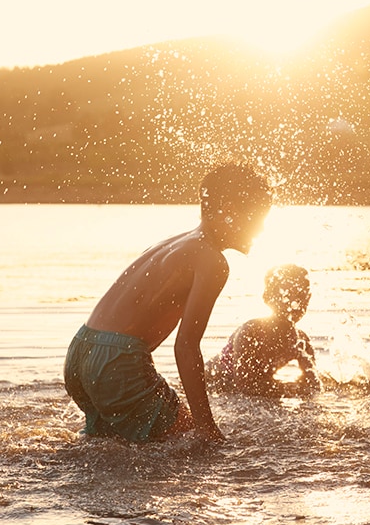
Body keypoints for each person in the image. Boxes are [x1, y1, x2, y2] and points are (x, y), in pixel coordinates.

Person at [63, 163, 272, 442]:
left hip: (80, 352)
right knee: (192, 445)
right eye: (258, 219)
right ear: (231, 211)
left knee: (108, 447)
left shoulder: (175, 243)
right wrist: (206, 428)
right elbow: (186, 346)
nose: (261, 230)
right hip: (117, 362)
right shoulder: (212, 261)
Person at [206, 264, 320, 397]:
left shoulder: (301, 340)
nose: (294, 302)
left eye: (301, 295)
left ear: (309, 298)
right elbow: (245, 386)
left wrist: (310, 382)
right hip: (210, 383)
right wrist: (291, 389)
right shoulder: (251, 332)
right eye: (287, 295)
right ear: (267, 298)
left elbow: (313, 385)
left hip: (240, 386)